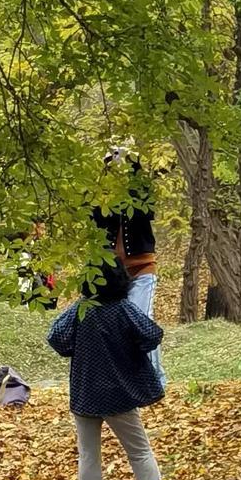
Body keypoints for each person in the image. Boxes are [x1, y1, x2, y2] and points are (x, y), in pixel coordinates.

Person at [48, 259, 185, 480]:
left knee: (88, 456)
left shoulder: (80, 310)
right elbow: (151, 334)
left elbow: (56, 337)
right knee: (140, 452)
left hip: (85, 393)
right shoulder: (122, 310)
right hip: (118, 396)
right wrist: (129, 350)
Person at [92, 147, 163, 384]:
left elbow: (147, 205)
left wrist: (133, 163)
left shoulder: (139, 197)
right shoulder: (102, 201)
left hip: (141, 268)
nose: (116, 170)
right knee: (112, 326)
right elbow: (93, 220)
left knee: (142, 321)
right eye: (112, 166)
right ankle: (121, 379)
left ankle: (154, 379)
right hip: (112, 277)